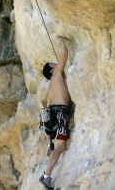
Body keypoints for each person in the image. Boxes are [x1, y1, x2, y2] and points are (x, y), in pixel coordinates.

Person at [39, 36, 71, 189]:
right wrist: (61, 41)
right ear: (52, 69)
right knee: (61, 147)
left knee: (56, 145)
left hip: (53, 114)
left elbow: (46, 110)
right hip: (60, 114)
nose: (56, 63)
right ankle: (46, 176)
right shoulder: (57, 74)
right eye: (54, 63)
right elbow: (65, 53)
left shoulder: (50, 88)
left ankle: (50, 146)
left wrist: (48, 139)